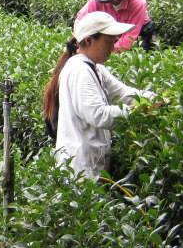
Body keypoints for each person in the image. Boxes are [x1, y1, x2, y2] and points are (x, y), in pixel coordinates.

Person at [43, 11, 159, 180]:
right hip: (80, 170)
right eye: (109, 42)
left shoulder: (94, 68)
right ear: (89, 41)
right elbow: (98, 114)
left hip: (91, 164)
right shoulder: (79, 70)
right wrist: (141, 110)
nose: (113, 48)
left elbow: (123, 93)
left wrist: (155, 98)